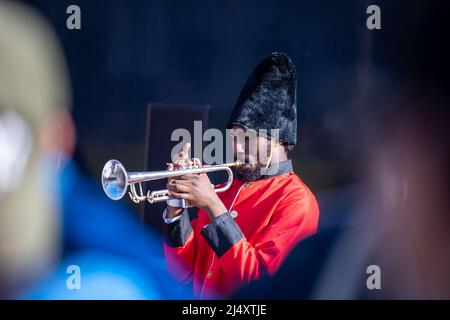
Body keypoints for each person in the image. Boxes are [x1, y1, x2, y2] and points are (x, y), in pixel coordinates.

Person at [162, 52, 319, 298]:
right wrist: (175, 205)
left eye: (246, 139)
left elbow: (260, 283)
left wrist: (213, 205)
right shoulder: (228, 188)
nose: (236, 149)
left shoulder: (298, 201)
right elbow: (181, 271)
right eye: (234, 139)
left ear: (276, 138)